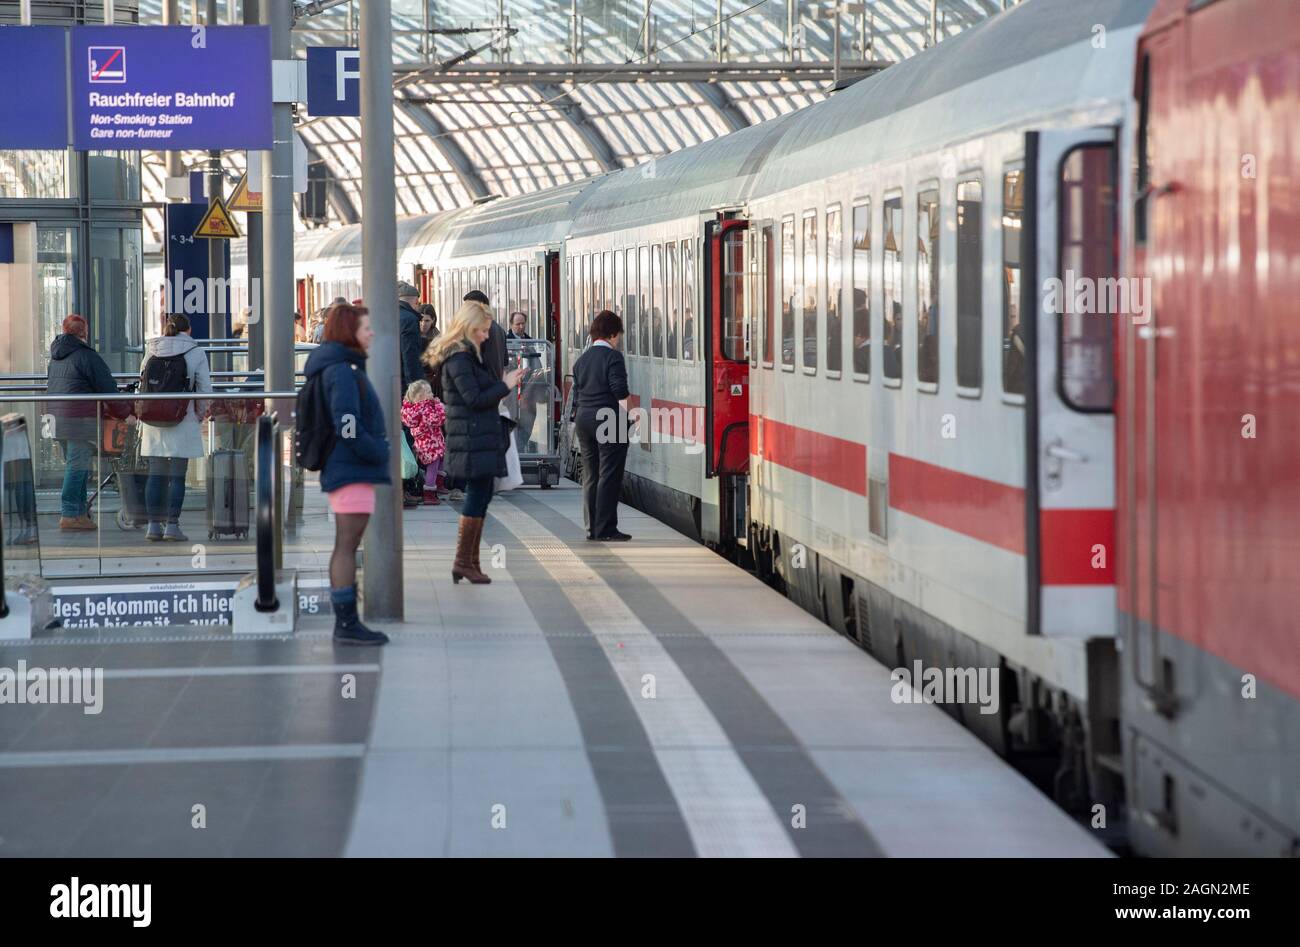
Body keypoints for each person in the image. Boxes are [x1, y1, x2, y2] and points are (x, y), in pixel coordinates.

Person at [302, 302, 391, 646]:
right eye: (365, 328)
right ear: (349, 331)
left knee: (347, 544)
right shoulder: (342, 370)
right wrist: (378, 450)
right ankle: (346, 624)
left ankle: (347, 622)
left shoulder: (341, 365)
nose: (371, 333)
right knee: (346, 545)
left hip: (348, 467)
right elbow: (347, 423)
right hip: (349, 467)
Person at [425, 300, 524, 584]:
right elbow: (474, 399)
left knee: (481, 496)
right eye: (482, 331)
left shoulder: (468, 357)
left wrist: (502, 385)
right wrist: (504, 386)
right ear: (470, 329)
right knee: (477, 497)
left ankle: (471, 562)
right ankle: (463, 562)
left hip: (477, 437)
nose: (486, 336)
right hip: (470, 438)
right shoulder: (459, 360)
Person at [138, 314, 213, 542]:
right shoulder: (195, 352)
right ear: (188, 330)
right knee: (177, 477)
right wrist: (199, 415)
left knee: (155, 474)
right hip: (183, 418)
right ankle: (172, 526)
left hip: (153, 421)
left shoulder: (153, 349)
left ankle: (153, 526)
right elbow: (204, 390)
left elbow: (141, 383)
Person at [45, 314, 124, 531]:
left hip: (56, 419)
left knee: (77, 466)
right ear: (84, 333)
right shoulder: (87, 356)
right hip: (78, 420)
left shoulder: (56, 357)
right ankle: (70, 514)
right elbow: (107, 388)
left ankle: (79, 512)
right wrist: (124, 411)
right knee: (77, 467)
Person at [572, 309, 631, 542]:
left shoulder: (582, 360)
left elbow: (577, 393)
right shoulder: (613, 358)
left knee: (591, 474)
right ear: (613, 335)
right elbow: (619, 390)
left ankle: (592, 528)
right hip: (607, 419)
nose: (620, 341)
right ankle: (606, 528)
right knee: (609, 473)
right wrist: (632, 414)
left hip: (584, 419)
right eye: (620, 336)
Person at [400, 380, 446, 506]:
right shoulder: (425, 407)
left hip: (425, 443)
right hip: (431, 444)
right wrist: (439, 405)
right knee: (433, 466)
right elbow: (438, 420)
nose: (432, 394)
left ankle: (437, 485)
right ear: (421, 397)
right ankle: (429, 492)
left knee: (438, 463)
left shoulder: (413, 409)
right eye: (429, 392)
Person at [397, 281, 424, 392]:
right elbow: (410, 354)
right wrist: (415, 386)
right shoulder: (410, 320)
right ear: (416, 302)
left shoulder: (389, 314)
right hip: (404, 382)